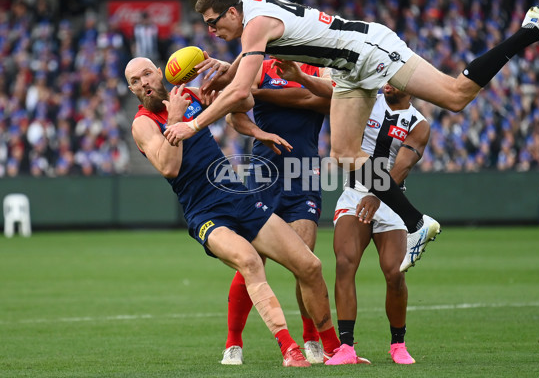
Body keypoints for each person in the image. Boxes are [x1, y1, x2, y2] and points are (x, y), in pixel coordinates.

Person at [164, 0, 539, 257]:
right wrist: (231, 61)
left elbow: (240, 92)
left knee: (456, 97)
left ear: (231, 12)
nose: (211, 30)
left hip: (371, 50)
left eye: (213, 23)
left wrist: (193, 125)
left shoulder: (253, 22)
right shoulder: (254, 10)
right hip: (349, 68)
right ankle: (417, 223)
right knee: (345, 154)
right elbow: (261, 44)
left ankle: (532, 29)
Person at [125, 57, 341, 368]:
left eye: (147, 74)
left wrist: (222, 89)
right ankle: (289, 348)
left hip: (237, 195)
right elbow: (170, 167)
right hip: (205, 212)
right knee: (250, 261)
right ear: (131, 88)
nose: (143, 82)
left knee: (310, 265)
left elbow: (245, 100)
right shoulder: (143, 122)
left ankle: (334, 350)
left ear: (160, 73)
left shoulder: (190, 96)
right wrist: (174, 118)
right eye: (135, 80)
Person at [220, 59, 331, 365]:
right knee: (252, 260)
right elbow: (234, 115)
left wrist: (260, 93)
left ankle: (310, 337)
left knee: (305, 262)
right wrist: (258, 130)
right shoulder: (260, 64)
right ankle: (233, 343)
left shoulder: (319, 69)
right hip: (263, 170)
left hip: (305, 172)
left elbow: (325, 99)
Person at [326, 84, 430, 365]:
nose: (388, 82)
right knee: (345, 264)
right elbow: (330, 93)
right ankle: (346, 347)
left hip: (392, 202)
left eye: (396, 78)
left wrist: (377, 195)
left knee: (395, 273)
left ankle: (398, 344)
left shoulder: (419, 124)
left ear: (410, 86)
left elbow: (404, 165)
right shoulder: (368, 100)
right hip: (353, 194)